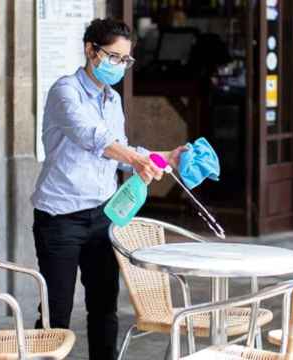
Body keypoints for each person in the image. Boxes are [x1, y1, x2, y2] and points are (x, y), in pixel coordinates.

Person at [31, 18, 186, 360]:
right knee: (55, 314)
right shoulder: (65, 91)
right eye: (114, 57)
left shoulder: (112, 100)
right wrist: (133, 156)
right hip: (60, 218)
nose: (120, 65)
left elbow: (122, 153)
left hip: (104, 216)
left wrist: (167, 157)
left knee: (104, 308)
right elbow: (94, 137)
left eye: (125, 60)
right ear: (91, 50)